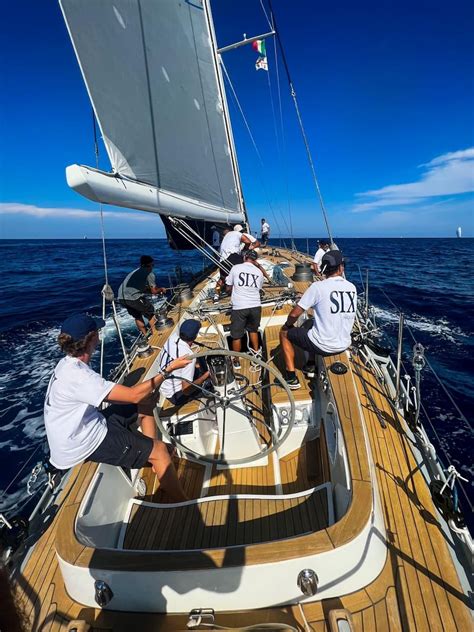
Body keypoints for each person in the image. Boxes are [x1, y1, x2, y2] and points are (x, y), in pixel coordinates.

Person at [43, 314, 191, 501]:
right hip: (81, 443)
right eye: (97, 331)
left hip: (85, 426)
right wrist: (168, 369)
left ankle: (150, 451)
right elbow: (134, 394)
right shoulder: (79, 376)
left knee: (145, 401)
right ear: (91, 338)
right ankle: (183, 503)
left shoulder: (66, 364)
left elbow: (135, 398)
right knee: (161, 449)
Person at [279, 250, 357, 389]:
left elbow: (294, 315)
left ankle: (291, 378)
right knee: (310, 323)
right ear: (340, 268)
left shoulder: (318, 287)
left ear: (324, 268)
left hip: (323, 346)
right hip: (344, 344)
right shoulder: (352, 287)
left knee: (284, 333)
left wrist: (287, 325)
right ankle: (310, 365)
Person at [226, 250, 265, 369]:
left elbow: (228, 287)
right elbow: (258, 288)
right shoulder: (259, 272)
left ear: (245, 257)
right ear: (255, 260)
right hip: (255, 306)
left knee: (236, 335)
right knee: (253, 330)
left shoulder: (236, 268)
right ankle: (256, 357)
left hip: (240, 307)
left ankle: (236, 360)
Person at [158, 319, 210, 406]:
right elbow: (186, 390)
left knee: (200, 358)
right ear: (196, 335)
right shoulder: (188, 357)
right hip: (176, 395)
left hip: (164, 386)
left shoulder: (172, 338)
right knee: (211, 385)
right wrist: (206, 376)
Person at [118, 255, 166, 336]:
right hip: (133, 298)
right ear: (150, 265)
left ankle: (145, 335)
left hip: (121, 298)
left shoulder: (134, 272)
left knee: (137, 316)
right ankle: (156, 335)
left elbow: (138, 288)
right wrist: (161, 289)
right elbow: (154, 291)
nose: (152, 267)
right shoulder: (149, 273)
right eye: (152, 265)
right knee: (150, 312)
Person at [213, 225, 254, 303]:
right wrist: (245, 249)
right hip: (233, 256)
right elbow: (248, 241)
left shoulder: (225, 238)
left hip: (222, 260)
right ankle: (246, 292)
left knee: (222, 279)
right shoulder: (236, 233)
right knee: (244, 271)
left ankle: (216, 295)